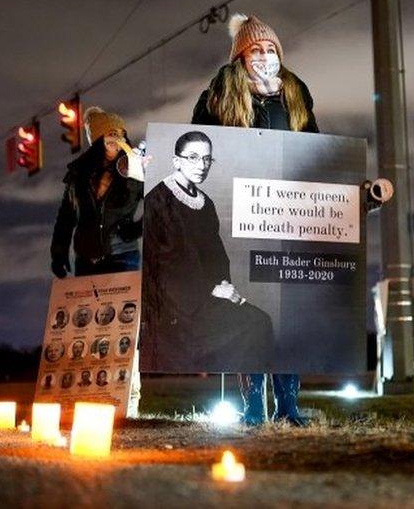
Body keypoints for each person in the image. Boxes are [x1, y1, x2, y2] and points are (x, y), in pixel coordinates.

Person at [190, 13, 390, 426]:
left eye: (270, 49)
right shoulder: (217, 95)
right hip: (241, 216)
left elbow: (317, 154)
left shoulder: (296, 96)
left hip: (289, 217)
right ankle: (252, 407)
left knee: (289, 314)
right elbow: (202, 149)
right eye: (255, 50)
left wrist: (352, 188)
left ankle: (289, 406)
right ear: (240, 57)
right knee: (251, 312)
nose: (264, 56)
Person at [142, 130, 274, 372]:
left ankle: (250, 400)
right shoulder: (156, 202)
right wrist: (211, 290)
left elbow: (215, 256)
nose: (201, 165)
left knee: (260, 320)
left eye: (206, 159)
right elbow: (159, 267)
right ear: (176, 161)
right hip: (175, 305)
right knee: (254, 324)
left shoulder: (206, 203)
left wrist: (226, 288)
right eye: (193, 157)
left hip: (208, 296)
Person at [51, 107, 143, 278]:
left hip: (122, 256)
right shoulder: (78, 174)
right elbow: (66, 217)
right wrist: (58, 253)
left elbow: (159, 204)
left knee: (122, 305)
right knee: (85, 306)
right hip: (85, 260)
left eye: (120, 133)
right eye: (111, 133)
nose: (117, 138)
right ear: (98, 137)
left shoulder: (135, 168)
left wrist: (136, 229)